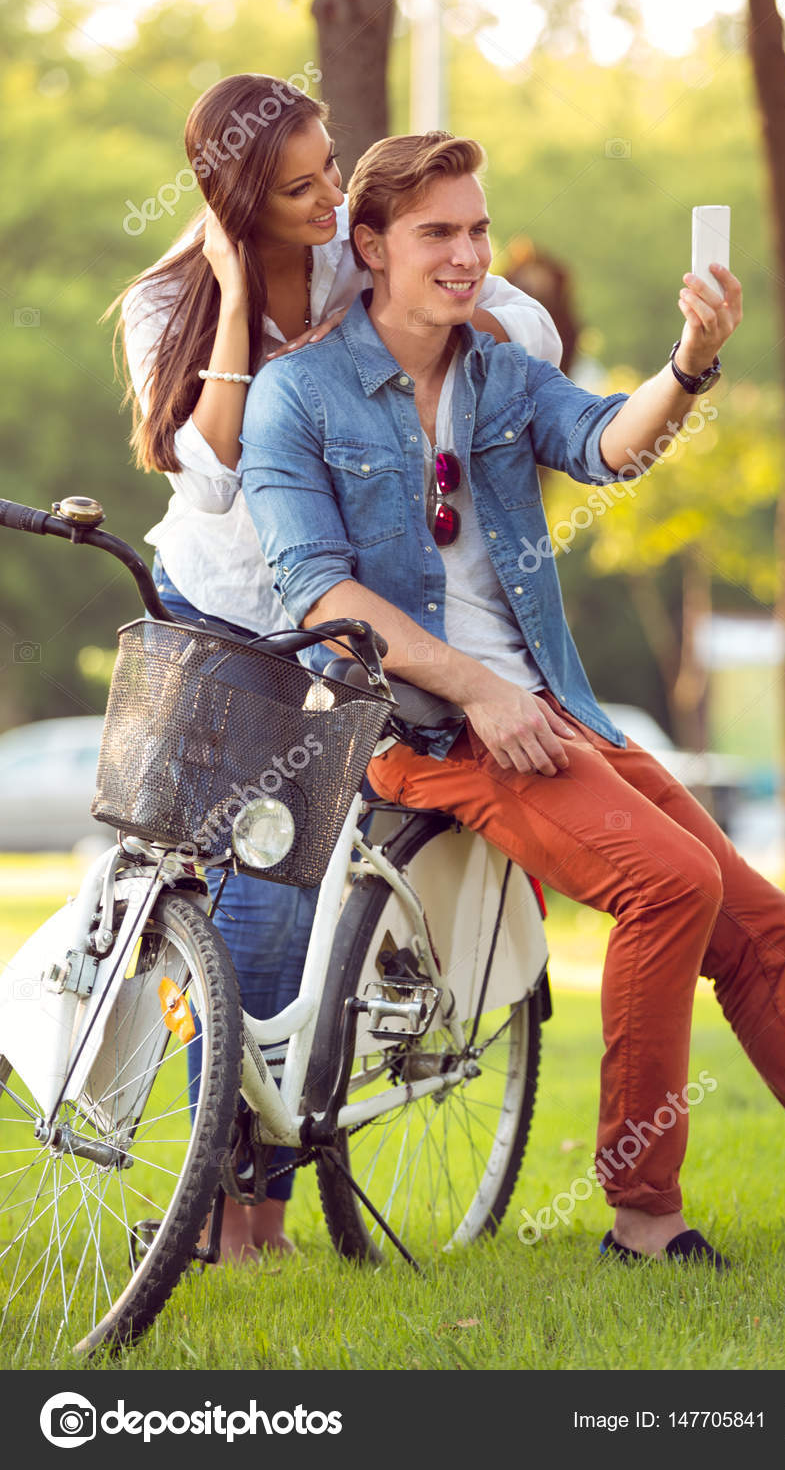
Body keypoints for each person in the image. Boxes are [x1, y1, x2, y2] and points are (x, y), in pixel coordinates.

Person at [240, 129, 785, 1265]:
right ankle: (642, 1215)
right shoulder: (299, 395)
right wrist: (478, 690)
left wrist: (687, 362)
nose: (467, 253)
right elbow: (317, 590)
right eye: (437, 232)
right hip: (419, 725)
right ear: (369, 243)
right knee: (666, 880)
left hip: (554, 707)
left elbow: (604, 444)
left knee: (762, 927)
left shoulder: (493, 369)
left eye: (477, 228)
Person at [115, 79, 564, 1261]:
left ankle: (245, 1216)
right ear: (237, 198)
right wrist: (223, 278)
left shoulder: (343, 272)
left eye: (332, 173)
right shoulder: (162, 300)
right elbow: (210, 476)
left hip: (333, 627)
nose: (331, 198)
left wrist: (430, 318)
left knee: (277, 902)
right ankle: (223, 1199)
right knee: (206, 918)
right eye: (304, 184)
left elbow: (528, 329)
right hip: (218, 625)